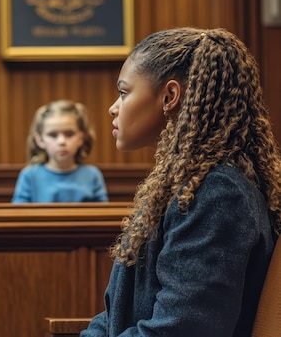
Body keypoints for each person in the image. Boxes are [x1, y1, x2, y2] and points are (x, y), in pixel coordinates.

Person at [81, 27, 281, 336]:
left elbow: (183, 327)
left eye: (124, 92)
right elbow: (114, 315)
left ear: (170, 96)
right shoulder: (187, 184)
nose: (113, 107)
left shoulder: (218, 192)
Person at [12, 99, 108, 203]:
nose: (61, 141)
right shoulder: (29, 176)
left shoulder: (92, 175)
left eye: (69, 134)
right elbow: (19, 213)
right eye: (53, 135)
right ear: (40, 140)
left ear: (81, 138)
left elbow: (103, 212)